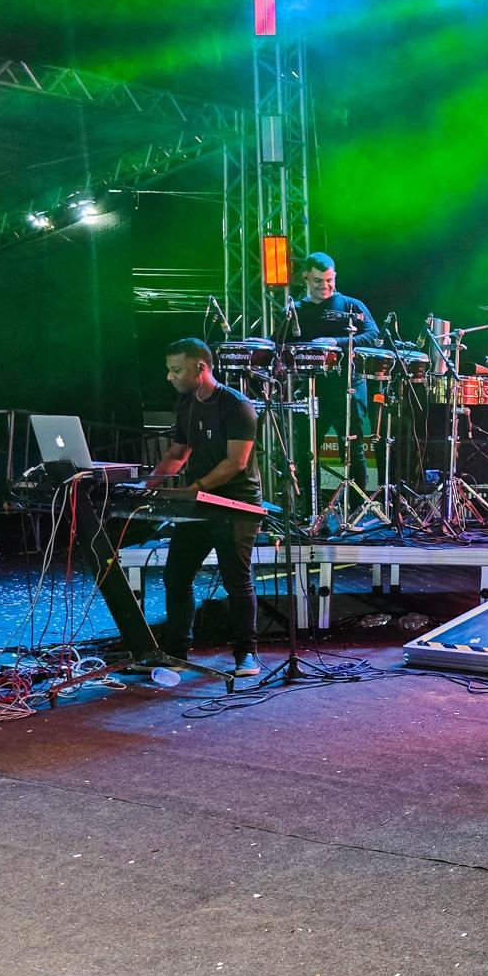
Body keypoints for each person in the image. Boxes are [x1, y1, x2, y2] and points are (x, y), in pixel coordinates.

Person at [148, 338, 265, 677]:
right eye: (169, 370)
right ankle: (175, 652)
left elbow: (236, 462)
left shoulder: (237, 405)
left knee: (236, 581)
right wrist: (148, 485)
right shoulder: (186, 404)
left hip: (236, 503)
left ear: (200, 368)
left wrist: (194, 489)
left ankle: (246, 655)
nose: (170, 377)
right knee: (176, 575)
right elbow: (177, 453)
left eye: (176, 370)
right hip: (198, 502)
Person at [287, 252, 382, 497]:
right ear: (305, 277)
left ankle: (357, 508)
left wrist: (336, 342)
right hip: (312, 388)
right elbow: (281, 341)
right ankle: (312, 509)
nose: (325, 286)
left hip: (348, 386)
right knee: (307, 451)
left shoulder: (351, 306)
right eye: (318, 281)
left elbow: (373, 334)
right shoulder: (296, 310)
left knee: (353, 449)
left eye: (330, 280)